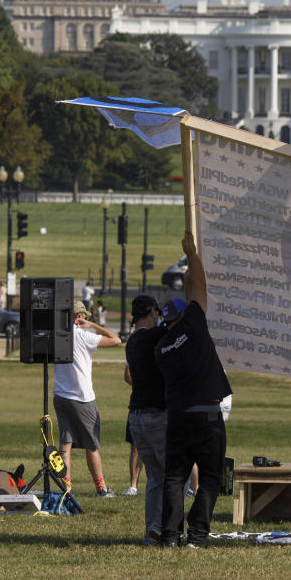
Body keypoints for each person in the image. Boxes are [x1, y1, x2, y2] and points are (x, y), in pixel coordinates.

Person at [157, 231, 233, 548]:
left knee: (175, 478)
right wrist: (192, 255)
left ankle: (171, 536)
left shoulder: (161, 348)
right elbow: (200, 290)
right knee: (212, 477)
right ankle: (198, 535)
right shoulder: (194, 325)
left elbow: (192, 294)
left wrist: (188, 274)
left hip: (178, 418)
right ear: (184, 316)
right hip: (207, 416)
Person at [52, 299, 122, 497]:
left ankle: (66, 488)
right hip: (82, 397)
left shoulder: (58, 337)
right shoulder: (83, 336)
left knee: (66, 442)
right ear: (80, 317)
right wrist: (93, 326)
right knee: (92, 445)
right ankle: (101, 488)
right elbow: (115, 340)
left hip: (60, 395)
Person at [123, 294, 169, 545]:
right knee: (171, 477)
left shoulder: (133, 341)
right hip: (155, 414)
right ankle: (161, 527)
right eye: (158, 313)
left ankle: (151, 529)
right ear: (152, 312)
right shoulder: (153, 336)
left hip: (136, 415)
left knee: (154, 477)